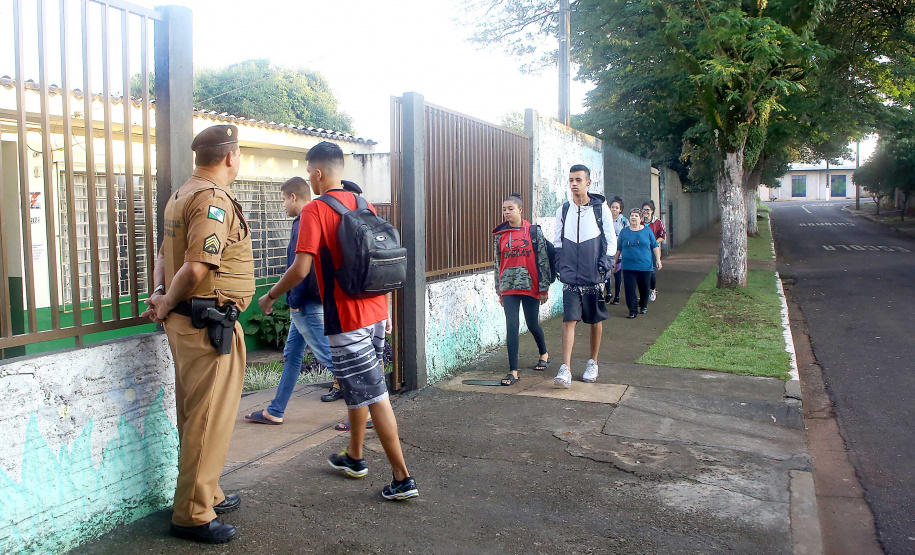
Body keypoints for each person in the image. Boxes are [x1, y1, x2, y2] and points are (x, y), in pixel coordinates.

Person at [257, 141, 417, 501]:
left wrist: (270, 295)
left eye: (308, 172)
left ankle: (403, 478)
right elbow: (381, 260)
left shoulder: (315, 210)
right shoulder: (362, 203)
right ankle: (355, 457)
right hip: (376, 313)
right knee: (357, 386)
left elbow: (300, 268)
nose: (309, 179)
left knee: (376, 395)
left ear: (317, 173)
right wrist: (387, 310)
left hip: (348, 319)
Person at [143, 124, 254, 543]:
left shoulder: (182, 194)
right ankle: (192, 513)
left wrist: (160, 294)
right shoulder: (212, 199)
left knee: (196, 416)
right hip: (206, 325)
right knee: (208, 419)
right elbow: (195, 268)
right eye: (238, 154)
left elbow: (163, 256)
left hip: (189, 321)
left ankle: (208, 492)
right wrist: (167, 300)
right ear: (230, 157)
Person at [244, 177, 339, 426]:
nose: (283, 205)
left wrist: (291, 300)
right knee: (293, 355)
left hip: (305, 303)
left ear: (294, 197)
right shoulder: (317, 216)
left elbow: (300, 268)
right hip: (311, 300)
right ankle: (275, 410)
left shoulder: (304, 220)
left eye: (284, 200)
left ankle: (369, 410)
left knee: (330, 358)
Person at [552, 164, 617, 388]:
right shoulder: (563, 210)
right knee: (569, 320)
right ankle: (566, 368)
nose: (574, 184)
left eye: (578, 180)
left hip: (593, 276)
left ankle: (593, 362)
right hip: (571, 276)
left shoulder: (601, 209)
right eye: (571, 180)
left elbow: (610, 240)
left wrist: (604, 266)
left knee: (595, 320)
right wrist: (560, 265)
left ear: (588, 182)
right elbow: (557, 241)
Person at [492, 193, 551, 386]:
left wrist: (543, 288)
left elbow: (543, 260)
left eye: (510, 208)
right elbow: (497, 263)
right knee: (512, 326)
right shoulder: (500, 235)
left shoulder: (533, 231)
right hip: (508, 287)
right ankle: (513, 371)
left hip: (530, 286)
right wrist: (499, 290)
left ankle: (544, 353)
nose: (506, 212)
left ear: (520, 209)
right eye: (504, 209)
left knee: (532, 324)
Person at [613, 207, 662, 318]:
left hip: (645, 266)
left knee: (644, 288)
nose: (633, 218)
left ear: (640, 219)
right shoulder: (624, 231)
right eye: (632, 215)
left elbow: (655, 246)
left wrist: (658, 260)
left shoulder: (647, 230)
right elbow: (618, 248)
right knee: (629, 289)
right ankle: (632, 310)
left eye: (636, 216)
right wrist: (614, 263)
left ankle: (643, 305)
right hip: (628, 266)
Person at [641, 200, 666, 301]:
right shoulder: (640, 221)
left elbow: (662, 236)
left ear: (652, 211)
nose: (645, 212)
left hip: (652, 251)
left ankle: (652, 289)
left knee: (651, 271)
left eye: (648, 210)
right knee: (642, 273)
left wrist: (653, 243)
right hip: (641, 251)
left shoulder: (657, 222)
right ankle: (644, 292)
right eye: (644, 210)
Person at [606, 197, 627, 305]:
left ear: (620, 209)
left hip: (620, 252)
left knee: (617, 274)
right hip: (607, 251)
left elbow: (627, 234)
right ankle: (608, 293)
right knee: (606, 273)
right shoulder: (606, 219)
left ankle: (617, 295)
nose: (614, 209)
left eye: (616, 207)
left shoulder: (624, 221)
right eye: (612, 207)